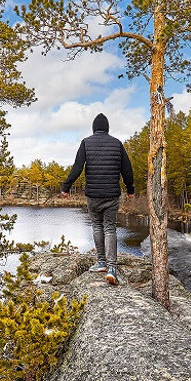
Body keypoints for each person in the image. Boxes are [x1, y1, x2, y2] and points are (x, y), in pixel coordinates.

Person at [60, 113, 134, 285]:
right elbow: (127, 170)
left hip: (93, 195)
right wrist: (131, 189)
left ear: (94, 128)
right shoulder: (117, 143)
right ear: (107, 128)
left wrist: (66, 187)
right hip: (111, 194)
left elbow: (77, 167)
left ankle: (101, 262)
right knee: (110, 228)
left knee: (97, 226)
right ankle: (112, 268)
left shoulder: (86, 142)